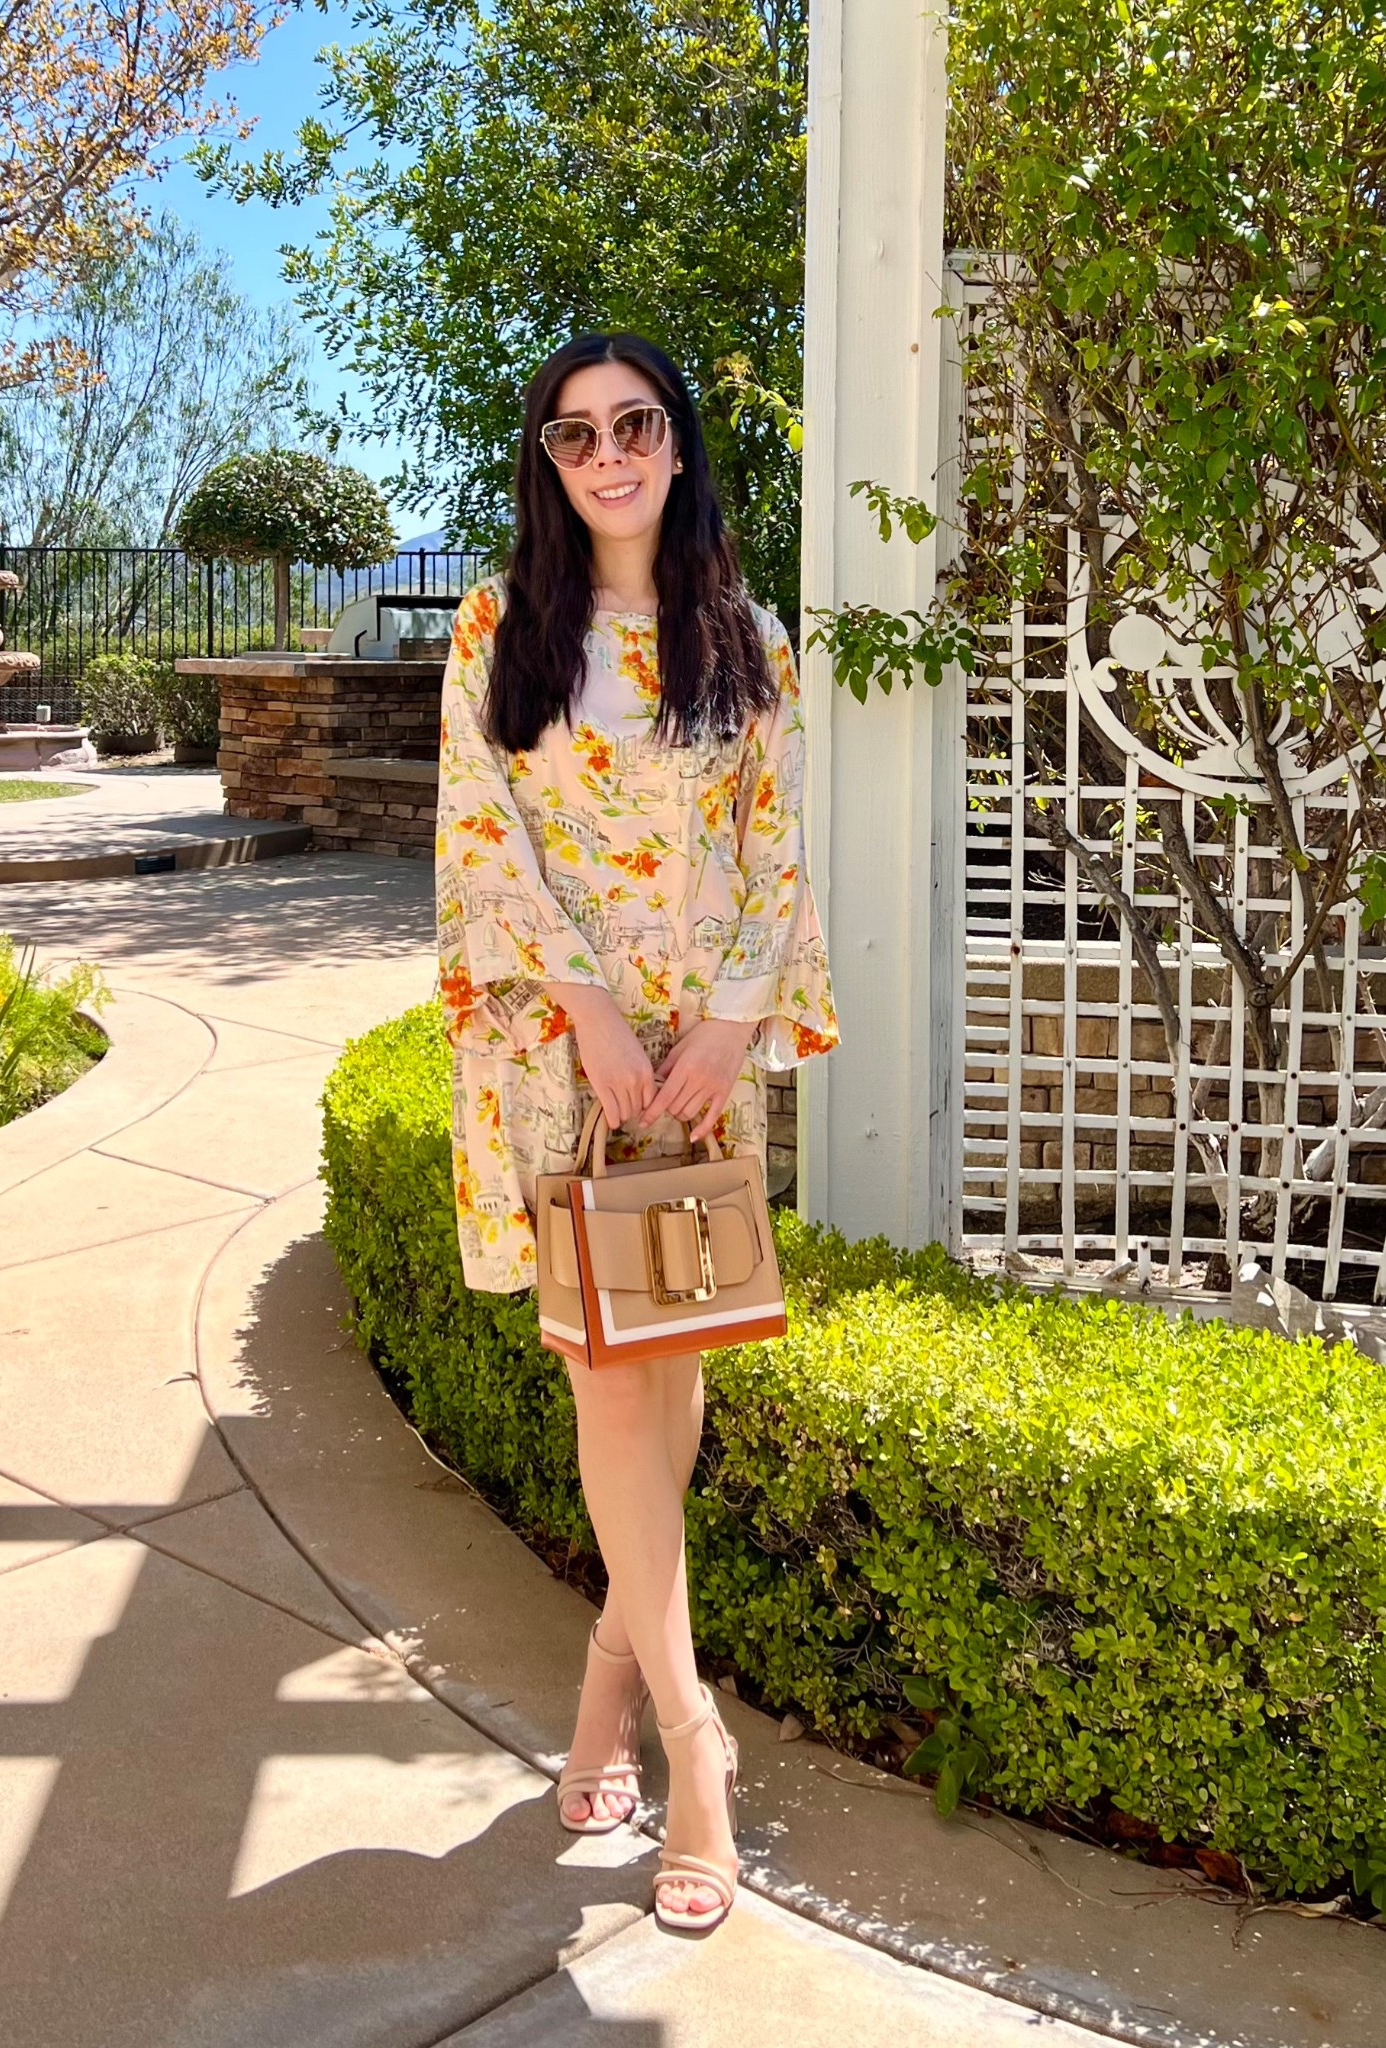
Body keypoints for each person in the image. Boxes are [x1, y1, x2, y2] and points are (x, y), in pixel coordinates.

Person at [434, 331, 837, 1934]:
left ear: (677, 448)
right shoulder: (499, 628)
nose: (609, 453)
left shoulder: (744, 635)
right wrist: (592, 1008)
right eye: (577, 431)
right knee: (613, 1379)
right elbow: (480, 828)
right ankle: (695, 1748)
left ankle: (606, 1697)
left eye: (638, 425)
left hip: (696, 1071)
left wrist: (731, 1020)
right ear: (548, 458)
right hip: (567, 1061)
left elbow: (778, 841)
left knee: (666, 1385)